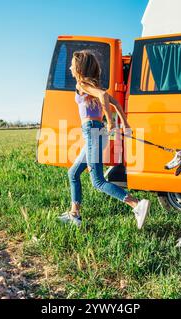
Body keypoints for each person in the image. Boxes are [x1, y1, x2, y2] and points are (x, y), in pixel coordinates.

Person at [58, 50, 151, 228]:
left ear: (78, 67)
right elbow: (114, 103)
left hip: (93, 132)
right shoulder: (94, 86)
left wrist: (110, 122)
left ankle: (136, 204)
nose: (70, 67)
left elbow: (103, 98)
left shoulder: (82, 84)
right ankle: (74, 214)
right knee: (73, 173)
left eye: (71, 64)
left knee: (98, 181)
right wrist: (125, 123)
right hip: (94, 133)